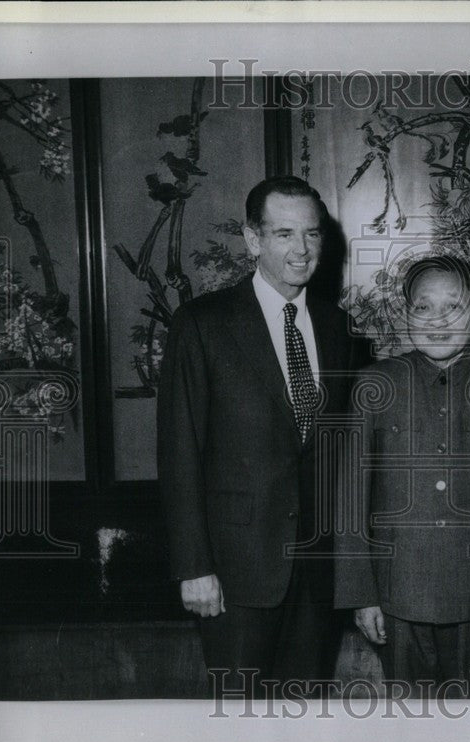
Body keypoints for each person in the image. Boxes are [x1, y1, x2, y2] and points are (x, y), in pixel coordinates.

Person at [157, 175, 359, 694]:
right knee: (241, 732)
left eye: (312, 234)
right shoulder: (203, 323)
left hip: (316, 576)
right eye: (284, 234)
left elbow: (337, 454)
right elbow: (180, 452)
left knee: (303, 725)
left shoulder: (337, 327)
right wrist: (193, 567)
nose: (301, 249)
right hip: (234, 575)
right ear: (253, 240)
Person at [335, 256, 470, 698]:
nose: (438, 320)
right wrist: (361, 594)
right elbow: (350, 499)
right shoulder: (374, 384)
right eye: (423, 307)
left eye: (453, 307)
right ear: (405, 315)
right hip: (400, 594)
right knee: (412, 729)